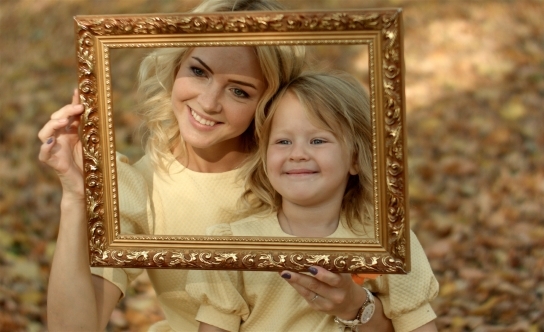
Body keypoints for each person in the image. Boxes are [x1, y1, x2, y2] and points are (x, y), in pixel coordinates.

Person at [37, 1, 307, 331]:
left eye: (239, 90)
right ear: (176, 66)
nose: (209, 102)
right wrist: (75, 198)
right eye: (199, 72)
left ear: (270, 101)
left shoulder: (300, 168)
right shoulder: (136, 188)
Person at [185, 72, 439, 332]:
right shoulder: (231, 245)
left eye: (317, 140)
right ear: (264, 156)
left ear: (354, 158)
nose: (297, 154)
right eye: (283, 141)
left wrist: (356, 304)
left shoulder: (389, 242)